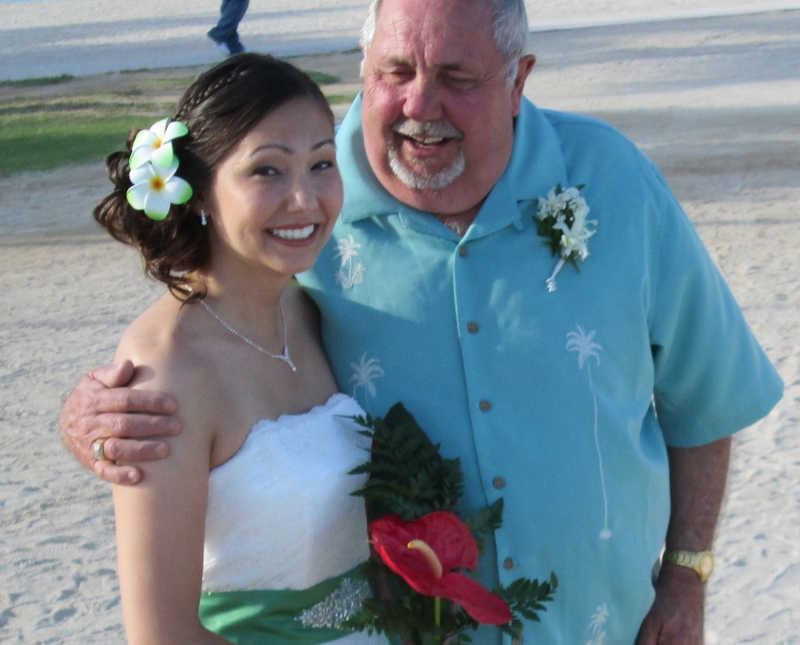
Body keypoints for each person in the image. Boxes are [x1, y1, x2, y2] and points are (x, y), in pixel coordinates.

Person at [60, 1, 784, 643]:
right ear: (363, 67)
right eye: (394, 70)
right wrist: (94, 414)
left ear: (519, 81)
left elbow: (704, 391)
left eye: (457, 79)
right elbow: (201, 341)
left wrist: (687, 574)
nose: (418, 104)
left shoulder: (616, 180)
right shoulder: (309, 216)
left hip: (609, 626)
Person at [86, 52, 387, 644]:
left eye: (321, 164)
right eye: (267, 171)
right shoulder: (168, 365)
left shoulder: (314, 311)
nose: (304, 199)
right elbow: (161, 633)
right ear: (198, 193)